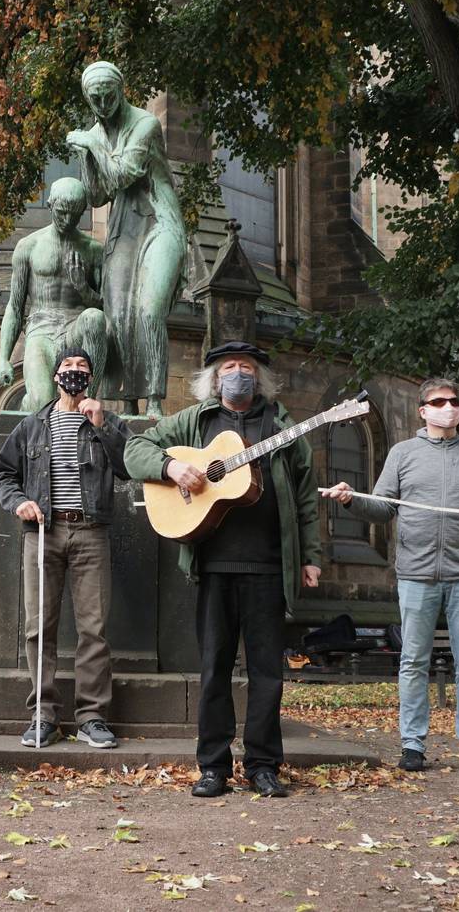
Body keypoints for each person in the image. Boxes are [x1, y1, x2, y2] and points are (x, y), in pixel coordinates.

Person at [126, 340, 321, 797]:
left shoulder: (282, 426)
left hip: (269, 566)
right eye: (230, 367)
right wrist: (171, 466)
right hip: (213, 565)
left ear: (260, 378)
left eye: (247, 367)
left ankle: (262, 766)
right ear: (215, 379)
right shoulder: (195, 421)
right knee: (213, 668)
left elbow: (308, 495)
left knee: (267, 673)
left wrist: (310, 556)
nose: (238, 373)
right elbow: (135, 448)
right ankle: (213, 766)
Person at [323, 377, 459, 774]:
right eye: (439, 402)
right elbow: (382, 507)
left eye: (454, 401)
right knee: (413, 661)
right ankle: (412, 745)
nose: (449, 407)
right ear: (423, 410)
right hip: (416, 575)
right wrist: (352, 499)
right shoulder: (403, 454)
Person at [0, 345, 131, 749]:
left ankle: (92, 717)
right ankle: (43, 715)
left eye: (82, 366)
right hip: (43, 533)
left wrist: (103, 425)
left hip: (92, 532)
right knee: (39, 626)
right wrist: (19, 502)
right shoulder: (33, 425)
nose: (74, 371)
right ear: (55, 377)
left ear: (92, 377)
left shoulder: (109, 421)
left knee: (94, 628)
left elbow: (127, 467)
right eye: (67, 366)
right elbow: (3, 474)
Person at [66, 61, 184, 416]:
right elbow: (98, 194)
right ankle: (129, 405)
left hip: (159, 221)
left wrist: (90, 143)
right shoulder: (97, 133)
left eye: (109, 96)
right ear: (88, 99)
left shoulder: (145, 124)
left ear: (121, 91)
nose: (103, 105)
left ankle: (153, 403)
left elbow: (122, 175)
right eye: (95, 99)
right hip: (123, 228)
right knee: (117, 317)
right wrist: (86, 154)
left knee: (149, 312)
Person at [0, 176, 110, 410]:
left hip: (74, 327)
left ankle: (88, 400)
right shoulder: (28, 246)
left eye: (75, 215)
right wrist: (3, 358)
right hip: (42, 329)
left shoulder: (94, 250)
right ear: (50, 206)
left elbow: (104, 307)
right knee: (42, 403)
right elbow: (15, 307)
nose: (68, 221)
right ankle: (30, 403)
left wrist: (82, 287)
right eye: (62, 212)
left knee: (94, 318)